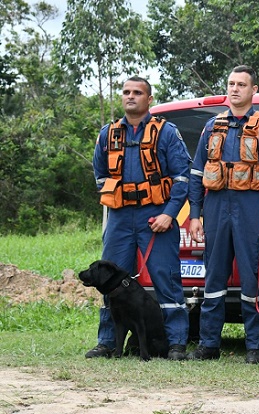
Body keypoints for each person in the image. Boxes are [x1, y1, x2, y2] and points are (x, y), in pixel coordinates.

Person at [187, 65, 259, 364]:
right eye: (231, 84)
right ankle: (209, 344)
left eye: (241, 84)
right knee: (213, 279)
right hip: (217, 207)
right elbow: (196, 172)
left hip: (252, 208)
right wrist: (195, 213)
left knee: (252, 281)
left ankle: (256, 346)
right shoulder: (212, 127)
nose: (234, 89)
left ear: (253, 90)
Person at [89, 76, 191, 360]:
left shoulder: (167, 133)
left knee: (166, 279)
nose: (130, 96)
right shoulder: (107, 135)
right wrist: (115, 198)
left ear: (149, 99)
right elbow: (100, 175)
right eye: (126, 92)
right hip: (120, 219)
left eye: (137, 92)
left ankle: (175, 343)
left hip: (155, 217)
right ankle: (107, 342)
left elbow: (182, 178)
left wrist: (169, 215)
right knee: (110, 282)